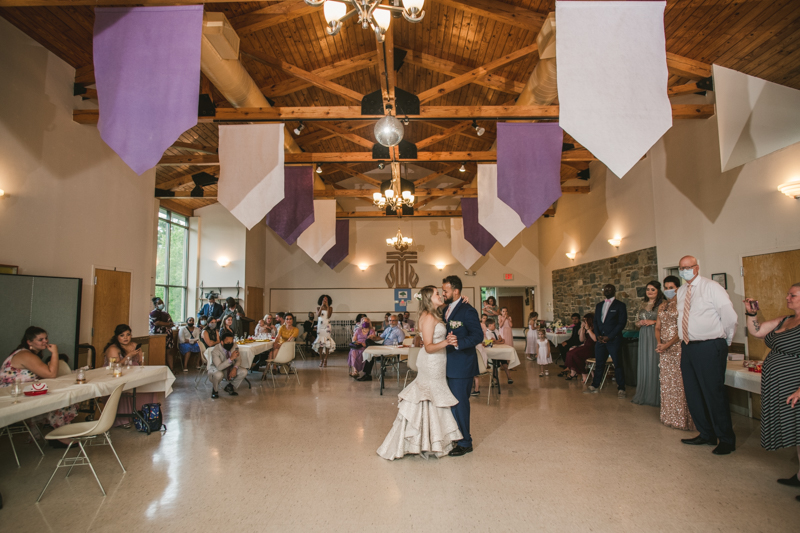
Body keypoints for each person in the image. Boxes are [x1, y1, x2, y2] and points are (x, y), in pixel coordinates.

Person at [378, 285, 462, 460]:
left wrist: (463, 299)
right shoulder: (430, 317)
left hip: (435, 362)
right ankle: (429, 440)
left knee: (431, 397)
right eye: (437, 294)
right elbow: (430, 347)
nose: (440, 295)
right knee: (429, 396)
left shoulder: (431, 314)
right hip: (431, 361)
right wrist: (447, 342)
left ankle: (427, 440)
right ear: (429, 298)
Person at [676, 255, 738, 455]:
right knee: (693, 393)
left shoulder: (712, 287)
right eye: (681, 267)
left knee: (713, 393)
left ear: (696, 268)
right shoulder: (682, 291)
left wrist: (725, 340)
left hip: (710, 345)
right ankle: (706, 433)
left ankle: (726, 439)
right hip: (688, 346)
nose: (685, 270)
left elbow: (729, 316)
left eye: (688, 267)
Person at [744, 283, 800, 496]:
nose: (787, 297)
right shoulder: (785, 320)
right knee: (796, 431)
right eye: (788, 294)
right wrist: (752, 313)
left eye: (792, 295)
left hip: (795, 383)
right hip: (779, 383)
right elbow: (756, 332)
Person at [1, 326, 77, 447]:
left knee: (60, 396)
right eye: (40, 339)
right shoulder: (25, 355)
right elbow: (51, 374)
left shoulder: (29, 353)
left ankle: (59, 433)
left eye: (46, 338)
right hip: (12, 394)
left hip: (24, 391)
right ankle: (60, 436)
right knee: (59, 400)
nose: (45, 341)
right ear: (29, 342)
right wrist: (55, 353)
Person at [442, 275, 483, 457]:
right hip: (446, 364)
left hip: (462, 365)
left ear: (456, 291)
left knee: (460, 405)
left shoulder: (468, 311)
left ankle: (466, 442)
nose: (443, 293)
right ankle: (455, 436)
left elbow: (477, 336)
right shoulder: (446, 310)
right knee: (451, 404)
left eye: (445, 290)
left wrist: (459, 342)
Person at [655, 276, 694, 431]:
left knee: (680, 382)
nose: (668, 290)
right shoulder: (662, 305)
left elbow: (683, 328)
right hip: (663, 347)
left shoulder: (683, 304)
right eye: (666, 287)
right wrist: (659, 343)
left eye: (671, 287)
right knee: (666, 381)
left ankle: (683, 418)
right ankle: (669, 415)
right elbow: (657, 326)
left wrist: (668, 344)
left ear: (679, 288)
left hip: (677, 346)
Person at [102, 324, 155, 426]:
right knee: (124, 389)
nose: (125, 338)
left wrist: (139, 355)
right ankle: (123, 419)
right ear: (117, 337)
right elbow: (116, 366)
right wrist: (128, 356)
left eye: (128, 334)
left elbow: (140, 362)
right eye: (122, 335)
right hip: (116, 375)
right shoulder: (113, 348)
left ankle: (145, 414)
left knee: (149, 385)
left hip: (133, 373)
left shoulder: (134, 345)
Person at [584, 284, 628, 397]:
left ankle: (621, 388)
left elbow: (621, 323)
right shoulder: (599, 305)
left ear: (614, 290)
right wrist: (598, 335)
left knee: (617, 364)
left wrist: (610, 336)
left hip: (614, 339)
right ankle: (595, 385)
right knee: (599, 364)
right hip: (600, 340)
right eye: (605, 289)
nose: (607, 290)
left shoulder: (620, 305)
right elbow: (596, 322)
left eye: (610, 289)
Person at [632, 281, 665, 407]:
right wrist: (639, 323)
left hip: (655, 334)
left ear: (658, 291)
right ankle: (644, 393)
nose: (650, 292)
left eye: (653, 289)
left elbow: (667, 320)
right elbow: (635, 321)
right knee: (645, 362)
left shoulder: (662, 304)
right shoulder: (642, 304)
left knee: (654, 361)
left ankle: (656, 394)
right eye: (648, 289)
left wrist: (653, 321)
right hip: (644, 335)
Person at [359, 315, 405, 381]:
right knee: (368, 341)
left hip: (390, 349)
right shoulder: (388, 329)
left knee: (371, 353)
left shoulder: (399, 331)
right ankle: (377, 360)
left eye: (393, 320)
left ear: (397, 322)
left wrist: (393, 347)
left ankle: (368, 373)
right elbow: (380, 338)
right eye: (390, 320)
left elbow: (401, 343)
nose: (391, 322)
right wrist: (373, 338)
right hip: (383, 347)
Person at [209, 330, 245, 399]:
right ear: (222, 342)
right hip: (216, 369)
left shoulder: (234, 346)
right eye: (228, 342)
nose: (230, 344)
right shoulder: (216, 350)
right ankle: (215, 390)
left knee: (244, 371)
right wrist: (231, 359)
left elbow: (239, 360)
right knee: (219, 374)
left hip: (229, 367)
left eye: (231, 342)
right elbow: (219, 367)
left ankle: (230, 387)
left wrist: (235, 368)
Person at [564, 313, 597, 381]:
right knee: (570, 353)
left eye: (585, 320)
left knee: (576, 354)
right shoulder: (586, 328)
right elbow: (581, 339)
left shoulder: (595, 328)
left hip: (592, 348)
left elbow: (595, 339)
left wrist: (588, 329)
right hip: (586, 346)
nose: (584, 322)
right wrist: (582, 329)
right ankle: (578, 372)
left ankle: (584, 373)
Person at [483, 318, 511, 385]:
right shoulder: (488, 332)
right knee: (495, 364)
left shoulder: (496, 330)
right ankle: (495, 379)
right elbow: (492, 342)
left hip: (500, 348)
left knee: (504, 362)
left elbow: (499, 338)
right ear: (489, 325)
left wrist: (499, 340)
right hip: (494, 350)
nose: (495, 326)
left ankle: (509, 377)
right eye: (494, 325)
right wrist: (499, 342)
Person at [313, 295, 335, 368]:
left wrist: (327, 306)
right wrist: (322, 306)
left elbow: (328, 316)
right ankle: (321, 360)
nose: (325, 300)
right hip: (320, 326)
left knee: (327, 343)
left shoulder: (330, 308)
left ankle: (325, 359)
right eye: (323, 299)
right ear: (321, 300)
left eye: (326, 299)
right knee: (320, 343)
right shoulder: (318, 307)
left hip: (327, 326)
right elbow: (318, 315)